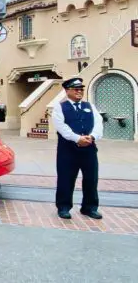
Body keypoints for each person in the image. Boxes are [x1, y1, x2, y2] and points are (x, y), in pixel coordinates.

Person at [53, 77, 103, 220]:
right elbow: (61, 127)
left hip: (89, 149)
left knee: (91, 179)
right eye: (76, 89)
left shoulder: (90, 106)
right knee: (66, 178)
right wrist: (78, 139)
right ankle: (63, 207)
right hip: (68, 150)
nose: (79, 91)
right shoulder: (59, 107)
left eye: (81, 89)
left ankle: (89, 207)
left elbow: (99, 124)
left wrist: (92, 137)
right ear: (67, 90)